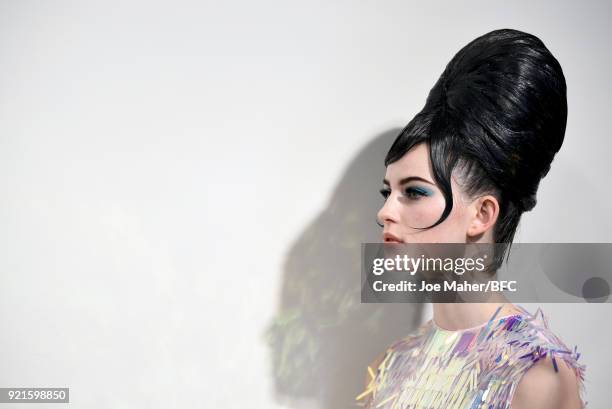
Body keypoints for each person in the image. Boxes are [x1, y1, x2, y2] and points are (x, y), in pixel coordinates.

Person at [356, 29, 586, 409]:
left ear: (482, 214)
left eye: (414, 191)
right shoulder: (392, 366)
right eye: (388, 193)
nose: (384, 212)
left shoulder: (535, 374)